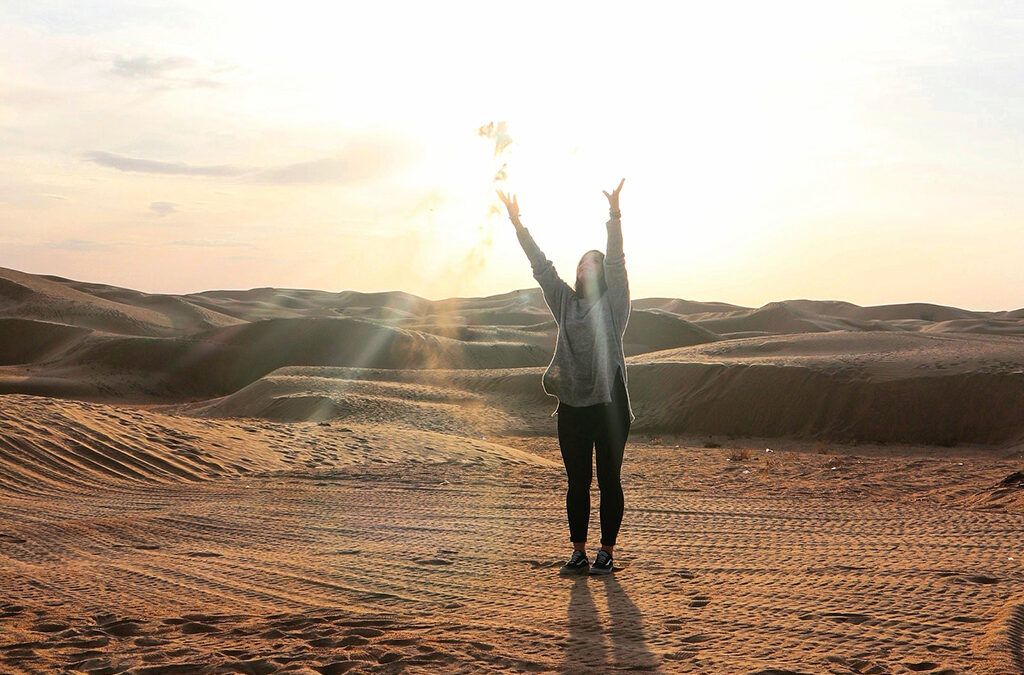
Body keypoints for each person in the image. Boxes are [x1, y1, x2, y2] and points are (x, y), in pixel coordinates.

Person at [497, 179, 635, 576]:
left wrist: (613, 216)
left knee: (609, 480)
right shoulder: (565, 302)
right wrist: (517, 222)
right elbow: (541, 267)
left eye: (591, 263)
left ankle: (606, 553)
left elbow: (617, 261)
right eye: (580, 264)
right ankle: (578, 551)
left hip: (609, 404)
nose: (584, 267)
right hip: (572, 405)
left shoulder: (614, 305)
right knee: (577, 482)